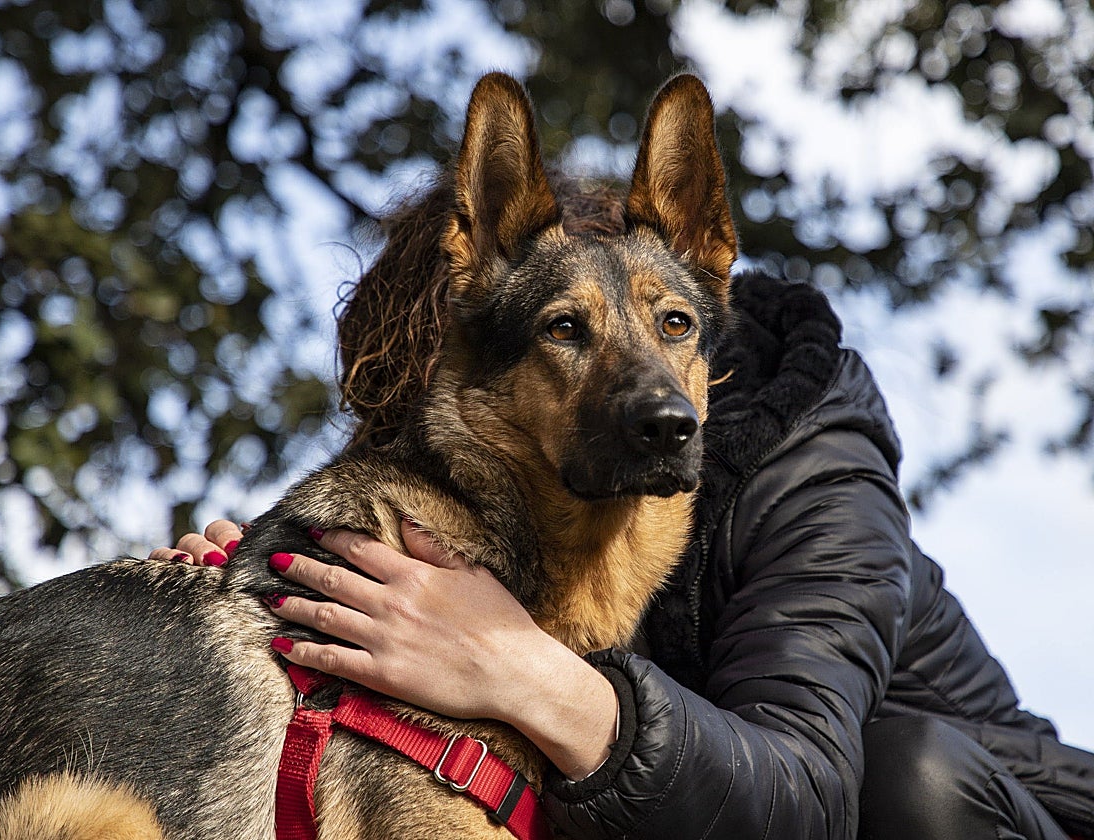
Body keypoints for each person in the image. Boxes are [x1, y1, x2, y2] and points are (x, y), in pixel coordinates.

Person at [153, 182, 1094, 839]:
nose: (653, 393)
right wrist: (262, 598)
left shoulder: (812, 470)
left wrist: (522, 670)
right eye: (561, 335)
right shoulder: (496, 475)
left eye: (668, 324)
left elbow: (807, 799)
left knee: (908, 777)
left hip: (970, 810)